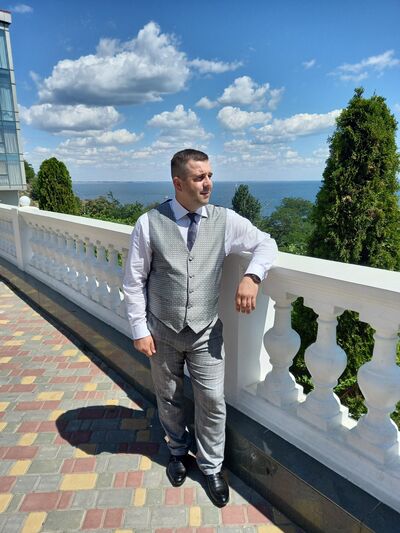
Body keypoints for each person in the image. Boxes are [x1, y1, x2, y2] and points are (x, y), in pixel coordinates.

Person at [123, 149, 277, 507]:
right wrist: (139, 329)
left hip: (206, 332)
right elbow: (133, 281)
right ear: (178, 183)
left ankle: (211, 467)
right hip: (161, 330)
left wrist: (253, 276)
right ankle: (177, 451)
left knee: (212, 399)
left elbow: (266, 242)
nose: (208, 183)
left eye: (210, 175)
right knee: (169, 395)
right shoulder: (148, 223)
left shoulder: (225, 220)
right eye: (199, 177)